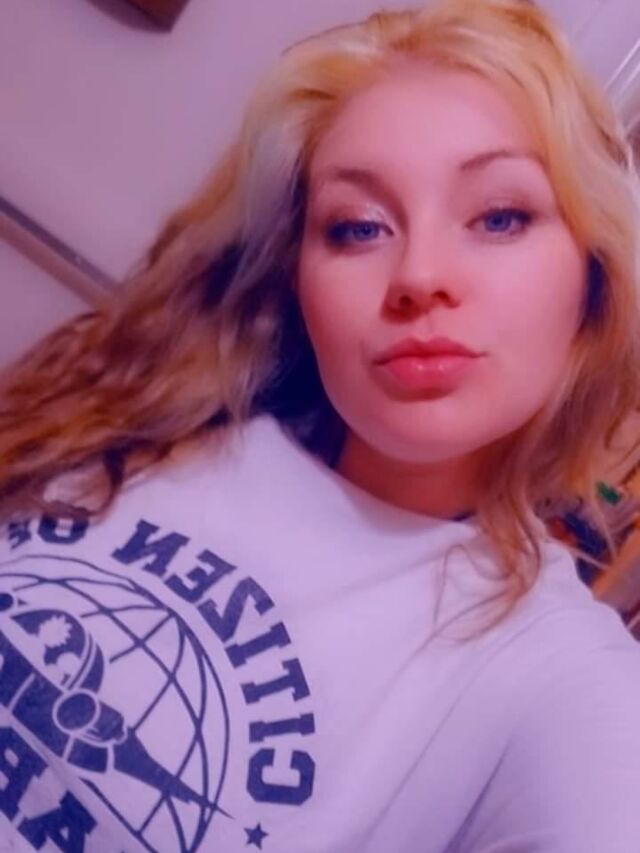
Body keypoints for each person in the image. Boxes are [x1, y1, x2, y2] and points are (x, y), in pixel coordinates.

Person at [1, 0, 640, 850]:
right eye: (358, 227)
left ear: (594, 282)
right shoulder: (142, 408)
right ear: (296, 271)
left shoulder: (550, 674)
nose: (418, 275)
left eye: (499, 217)